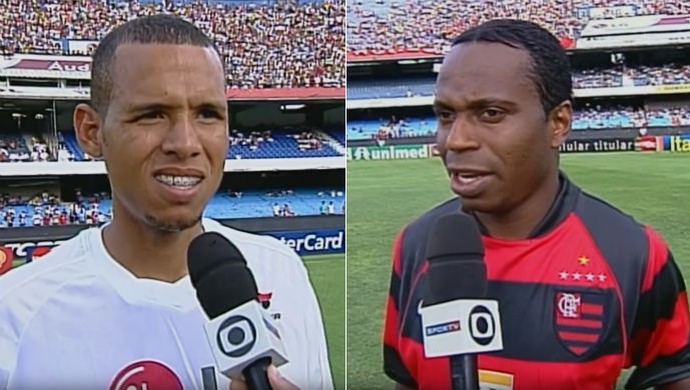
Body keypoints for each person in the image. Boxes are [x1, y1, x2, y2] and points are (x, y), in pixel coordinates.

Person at [0, 14, 332, 390]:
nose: (186, 143)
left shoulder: (282, 272)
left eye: (207, 114)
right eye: (152, 115)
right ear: (91, 132)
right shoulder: (15, 314)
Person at [382, 19, 690, 390]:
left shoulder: (633, 253)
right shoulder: (416, 243)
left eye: (490, 113)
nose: (455, 140)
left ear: (558, 123)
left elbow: (676, 373)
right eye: (446, 115)